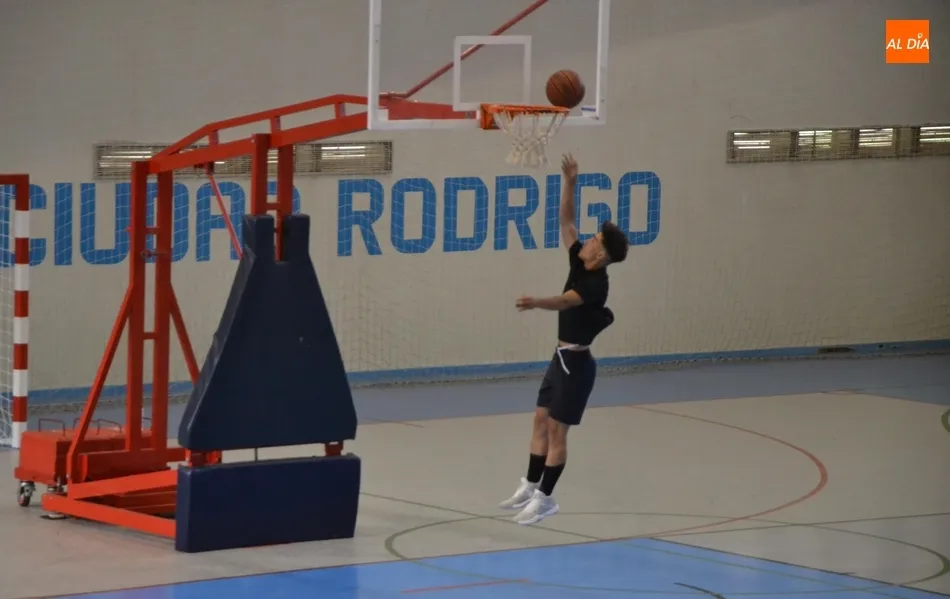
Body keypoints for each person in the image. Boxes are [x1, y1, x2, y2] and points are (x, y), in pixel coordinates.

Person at [500, 153, 629, 525]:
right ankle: (530, 484)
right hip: (559, 360)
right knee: (541, 420)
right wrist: (570, 182)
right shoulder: (579, 260)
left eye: (594, 240)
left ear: (600, 253)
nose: (586, 240)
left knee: (558, 430)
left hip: (577, 365)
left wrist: (536, 302)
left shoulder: (596, 284)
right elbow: (567, 222)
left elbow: (564, 301)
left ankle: (546, 500)